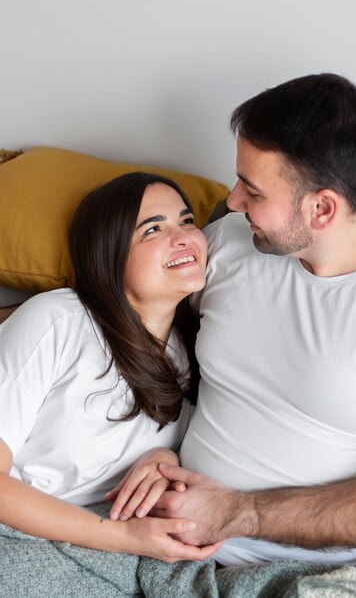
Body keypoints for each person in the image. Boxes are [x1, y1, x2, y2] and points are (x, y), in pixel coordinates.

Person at [113, 74, 356, 575]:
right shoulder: (232, 243)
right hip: (173, 541)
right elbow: (126, 315)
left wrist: (238, 513)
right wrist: (149, 448)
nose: (231, 202)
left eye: (251, 191)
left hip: (320, 574)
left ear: (322, 208)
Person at [0, 171, 221, 563]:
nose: (184, 237)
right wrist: (125, 538)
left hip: (99, 542)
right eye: (153, 230)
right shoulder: (58, 321)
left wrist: (165, 460)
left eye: (187, 222)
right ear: (110, 253)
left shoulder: (200, 347)